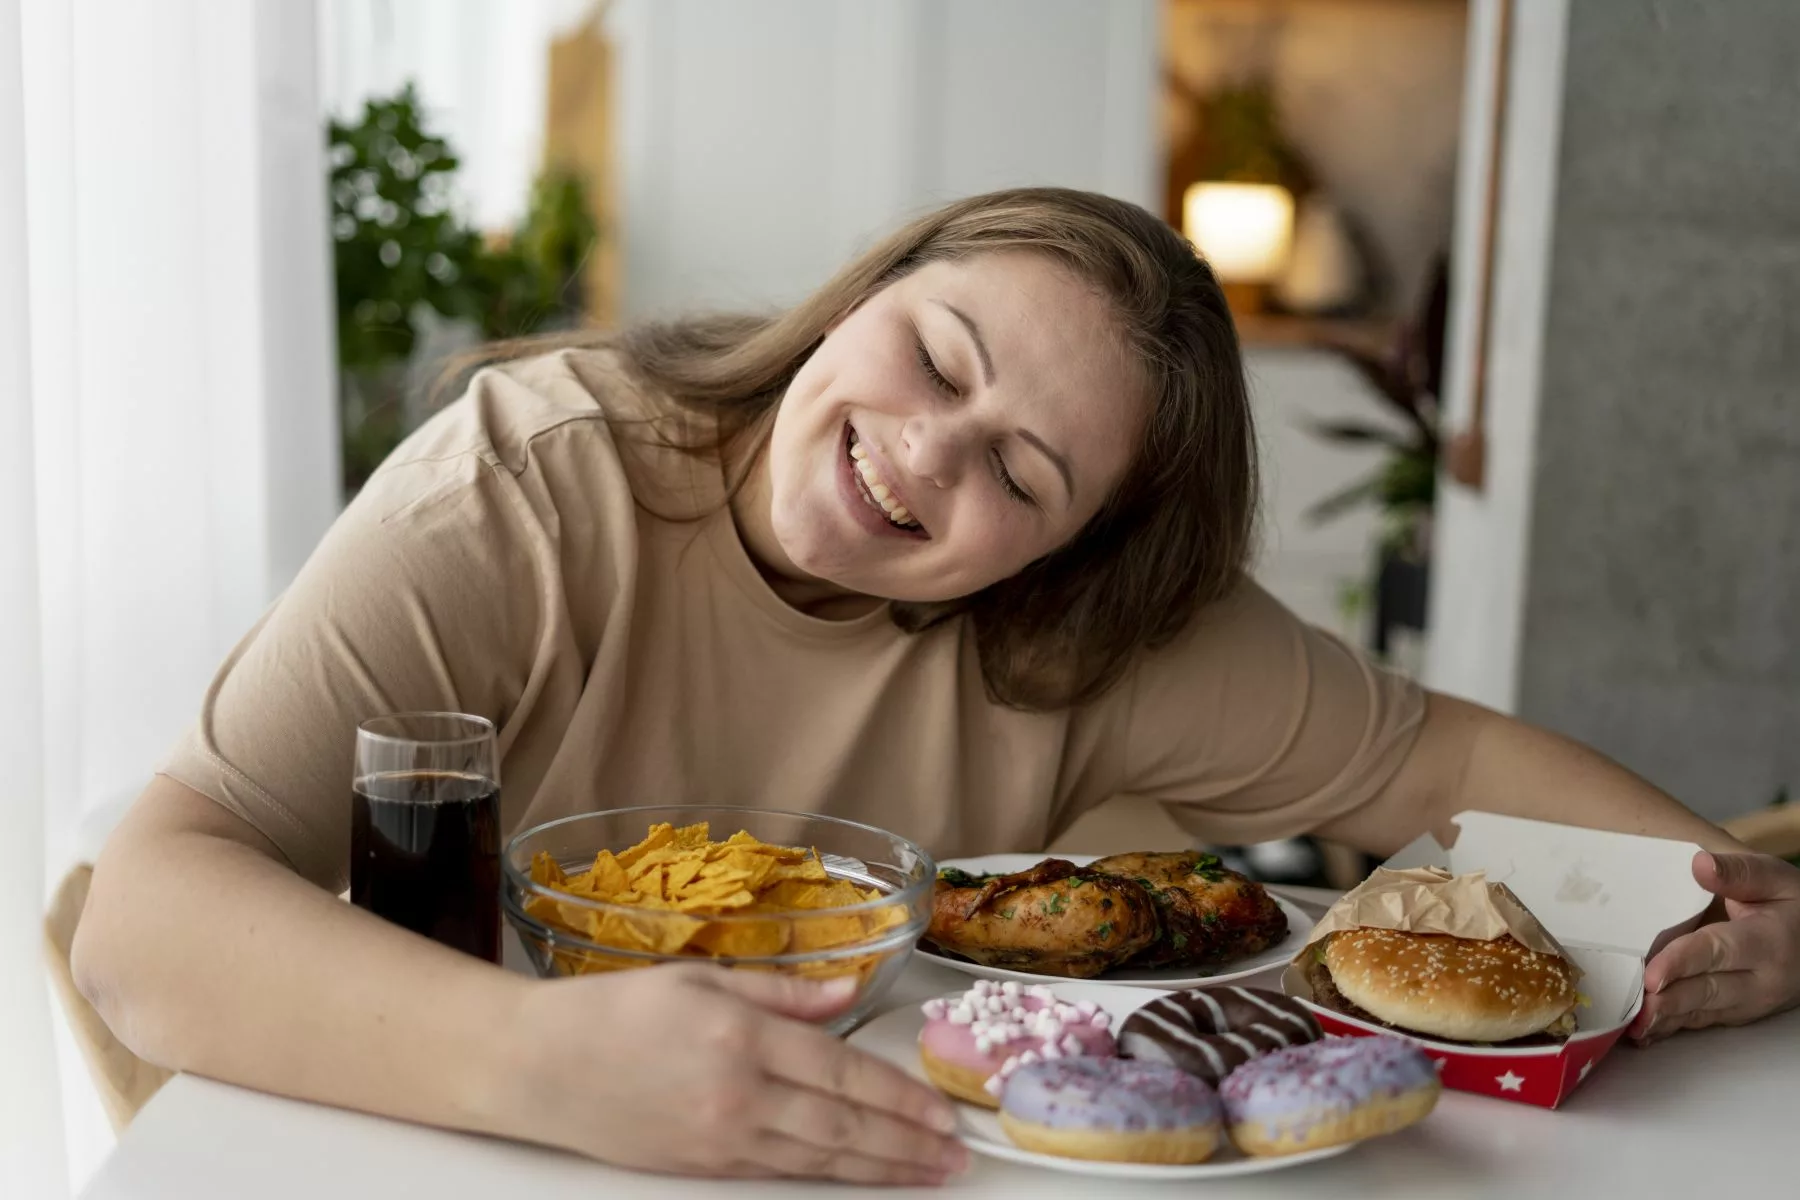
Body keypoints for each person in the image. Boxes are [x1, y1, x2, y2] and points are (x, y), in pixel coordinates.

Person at [73, 188, 1800, 1186]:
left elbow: (1445, 751)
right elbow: (141, 920)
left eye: (1024, 476)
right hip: (464, 1136)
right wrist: (543, 1060)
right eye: (935, 357)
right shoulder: (528, 490)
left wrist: (1746, 899)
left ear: (1061, 559)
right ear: (864, 297)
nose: (922, 452)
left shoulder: (1099, 633)